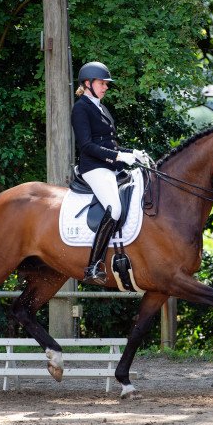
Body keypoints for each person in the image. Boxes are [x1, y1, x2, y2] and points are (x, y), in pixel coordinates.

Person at [71, 61, 147, 285]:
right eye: (102, 83)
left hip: (110, 166)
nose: (106, 87)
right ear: (87, 83)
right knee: (114, 209)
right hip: (94, 168)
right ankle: (93, 266)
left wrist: (131, 152)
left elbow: (110, 144)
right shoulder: (81, 108)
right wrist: (118, 157)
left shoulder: (101, 108)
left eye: (106, 83)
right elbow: (85, 145)